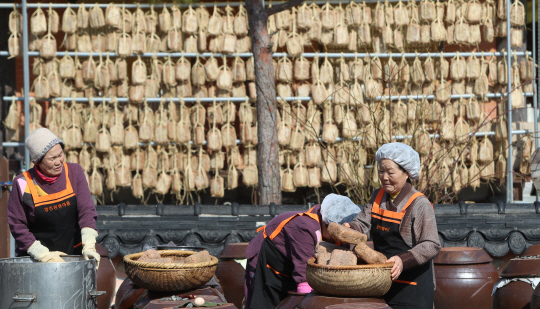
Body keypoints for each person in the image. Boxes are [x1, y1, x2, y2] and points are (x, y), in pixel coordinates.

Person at [344, 142, 440, 309]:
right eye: (381, 171)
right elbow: (362, 222)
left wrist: (403, 260)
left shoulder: (419, 203)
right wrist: (350, 229)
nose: (384, 177)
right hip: (381, 284)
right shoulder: (378, 196)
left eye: (390, 172)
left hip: (413, 289)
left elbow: (431, 244)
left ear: (407, 173)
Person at [244, 194, 360, 309]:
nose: (338, 240)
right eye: (335, 235)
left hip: (289, 267)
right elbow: (303, 275)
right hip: (267, 262)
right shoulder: (304, 227)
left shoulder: (336, 231)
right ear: (326, 223)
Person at [7, 128, 100, 267]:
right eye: (52, 158)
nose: (59, 162)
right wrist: (42, 254)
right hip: (36, 261)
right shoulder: (22, 183)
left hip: (73, 256)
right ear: (37, 161)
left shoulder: (74, 172)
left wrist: (89, 244)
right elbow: (17, 224)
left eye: (60, 154)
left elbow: (86, 210)